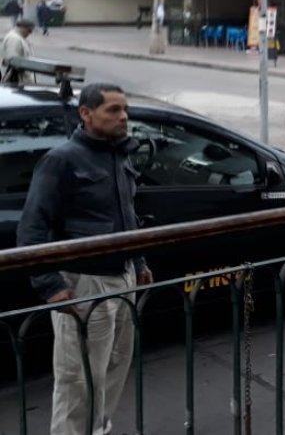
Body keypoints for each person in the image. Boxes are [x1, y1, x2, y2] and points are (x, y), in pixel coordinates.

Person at [17, 83, 153, 435]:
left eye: (125, 109)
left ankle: (98, 431)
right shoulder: (61, 160)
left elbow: (127, 215)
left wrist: (137, 263)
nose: (123, 116)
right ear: (86, 113)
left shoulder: (118, 154)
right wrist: (50, 286)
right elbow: (32, 228)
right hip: (83, 284)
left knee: (113, 368)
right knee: (78, 381)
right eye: (112, 110)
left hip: (121, 279)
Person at [1, 17, 35, 85]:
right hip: (17, 80)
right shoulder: (14, 39)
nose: (30, 33)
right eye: (29, 30)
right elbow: (13, 61)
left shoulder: (19, 37)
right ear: (22, 28)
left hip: (21, 79)